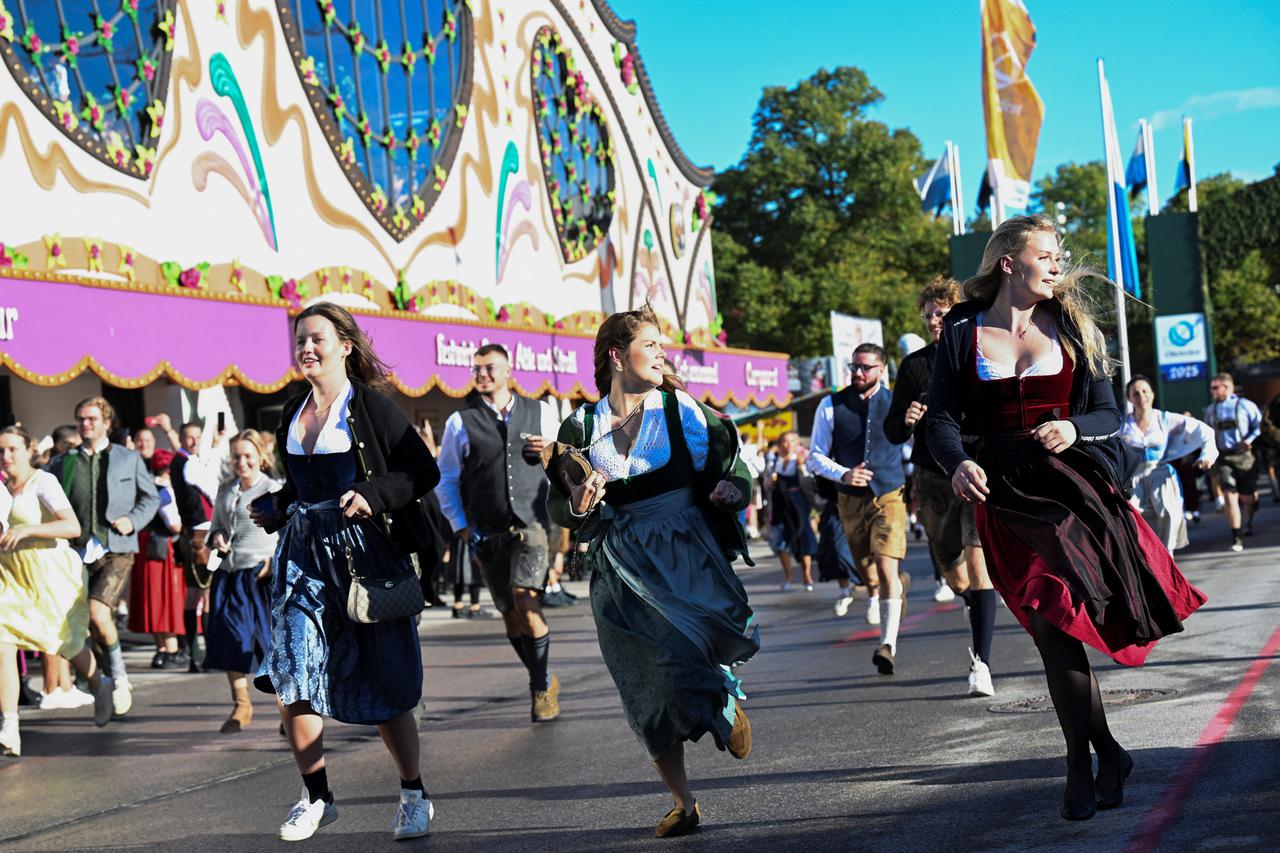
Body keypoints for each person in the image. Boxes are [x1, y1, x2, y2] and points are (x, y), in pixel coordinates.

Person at [926, 214, 1207, 820]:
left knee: (1058, 621)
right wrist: (955, 464)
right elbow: (940, 421)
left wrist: (1073, 426)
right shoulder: (960, 329)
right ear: (1008, 262)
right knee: (1051, 629)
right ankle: (1105, 751)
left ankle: (1082, 763)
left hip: (1070, 494)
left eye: (1059, 256)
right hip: (1002, 492)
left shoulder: (1074, 326)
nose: (1058, 265)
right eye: (1046, 255)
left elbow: (1109, 414)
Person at [547, 305, 758, 838]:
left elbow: (731, 462)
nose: (663, 354)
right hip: (618, 569)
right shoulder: (582, 425)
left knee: (684, 656)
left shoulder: (680, 409)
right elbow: (557, 505)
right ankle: (684, 802)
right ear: (618, 355)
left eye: (664, 346)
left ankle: (721, 698)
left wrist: (733, 490)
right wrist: (577, 499)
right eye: (652, 344)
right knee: (641, 686)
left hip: (683, 552)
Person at [249, 302, 440, 841]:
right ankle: (316, 796)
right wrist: (277, 506)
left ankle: (413, 791)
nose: (307, 348)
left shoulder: (371, 408)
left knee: (385, 677)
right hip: (304, 556)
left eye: (317, 338)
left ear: (345, 346)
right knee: (292, 669)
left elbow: (420, 470)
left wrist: (375, 495)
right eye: (300, 340)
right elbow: (300, 488)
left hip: (364, 557)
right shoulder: (291, 411)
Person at [436, 344, 564, 722]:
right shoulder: (460, 422)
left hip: (533, 526)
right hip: (486, 532)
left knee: (525, 599)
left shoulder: (540, 410)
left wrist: (552, 452)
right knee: (509, 614)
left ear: (508, 371)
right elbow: (446, 479)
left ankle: (540, 690)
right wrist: (459, 526)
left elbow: (568, 460)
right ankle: (542, 677)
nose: (482, 375)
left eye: (490, 368)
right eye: (477, 370)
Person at [885, 276, 996, 696]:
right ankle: (977, 609)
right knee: (953, 574)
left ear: (959, 313)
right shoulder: (914, 365)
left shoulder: (980, 352)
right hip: (932, 476)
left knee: (979, 563)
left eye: (943, 313)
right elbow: (893, 429)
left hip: (975, 468)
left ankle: (981, 665)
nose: (935, 320)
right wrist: (908, 418)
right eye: (930, 314)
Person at [1, 427, 115, 756]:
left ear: (28, 449)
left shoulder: (43, 481)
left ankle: (99, 683)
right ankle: (10, 725)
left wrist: (29, 530)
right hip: (10, 574)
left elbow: (72, 527)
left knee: (63, 642)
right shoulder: (2, 488)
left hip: (48, 573)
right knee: (2, 641)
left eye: (12, 449)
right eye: (1, 451)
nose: (6, 457)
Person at [51, 397, 159, 718]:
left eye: (92, 419)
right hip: (75, 551)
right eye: (81, 419)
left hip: (117, 547)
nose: (86, 424)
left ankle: (121, 678)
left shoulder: (128, 458)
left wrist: (133, 521)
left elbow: (149, 499)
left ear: (106, 423)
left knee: (99, 614)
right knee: (81, 626)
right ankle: (102, 682)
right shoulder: (63, 462)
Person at [810, 343, 911, 675]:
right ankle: (894, 585)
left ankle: (888, 645)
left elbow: (913, 447)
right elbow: (815, 456)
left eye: (865, 367)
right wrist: (844, 473)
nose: (857, 372)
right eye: (854, 366)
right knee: (868, 573)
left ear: (882, 370)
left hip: (889, 494)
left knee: (884, 565)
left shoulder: (898, 403)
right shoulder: (830, 404)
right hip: (848, 500)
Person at [206, 430, 278, 734]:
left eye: (248, 455)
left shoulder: (272, 489)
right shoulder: (225, 489)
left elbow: (288, 534)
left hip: (260, 576)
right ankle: (242, 704)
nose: (242, 462)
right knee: (228, 639)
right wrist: (217, 538)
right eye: (236, 456)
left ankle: (289, 708)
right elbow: (216, 528)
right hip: (229, 574)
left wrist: (274, 563)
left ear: (260, 456)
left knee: (268, 644)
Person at [1120, 376, 1217, 554]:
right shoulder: (1122, 424)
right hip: (1133, 477)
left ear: (1152, 394)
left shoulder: (1165, 419)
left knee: (1168, 514)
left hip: (1161, 474)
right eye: (1136, 393)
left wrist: (1207, 456)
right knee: (1133, 516)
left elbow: (1204, 431)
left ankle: (1167, 557)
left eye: (1145, 391)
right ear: (1129, 398)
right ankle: (1144, 559)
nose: (1141, 396)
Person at [164, 415, 228, 671]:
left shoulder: (187, 462)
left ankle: (196, 653)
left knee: (196, 593)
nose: (193, 442)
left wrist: (214, 445)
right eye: (189, 437)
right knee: (206, 592)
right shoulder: (187, 463)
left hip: (195, 533)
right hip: (201, 534)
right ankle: (204, 652)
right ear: (180, 438)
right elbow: (213, 488)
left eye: (196, 437)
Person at [127, 449, 187, 669]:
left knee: (153, 599)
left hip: (147, 546)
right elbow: (174, 525)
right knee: (165, 599)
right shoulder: (164, 492)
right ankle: (171, 650)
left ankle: (161, 649)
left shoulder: (146, 488)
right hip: (162, 549)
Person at [1203, 373, 1263, 551]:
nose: (1212, 391)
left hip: (1244, 455)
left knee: (1247, 496)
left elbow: (1259, 425)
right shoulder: (1210, 410)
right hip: (1223, 457)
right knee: (1230, 494)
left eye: (1215, 387)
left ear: (1227, 387)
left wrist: (1250, 439)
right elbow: (1206, 433)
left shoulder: (1245, 405)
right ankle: (1237, 536)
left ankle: (1250, 516)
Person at [768, 431, 817, 591]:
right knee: (781, 541)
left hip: (798, 504)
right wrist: (770, 482)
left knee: (803, 538)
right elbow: (767, 485)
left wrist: (802, 467)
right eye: (784, 441)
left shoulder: (802, 461)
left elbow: (809, 485)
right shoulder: (774, 461)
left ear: (797, 444)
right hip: (780, 504)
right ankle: (788, 576)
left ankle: (807, 575)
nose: (787, 445)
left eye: (791, 441)